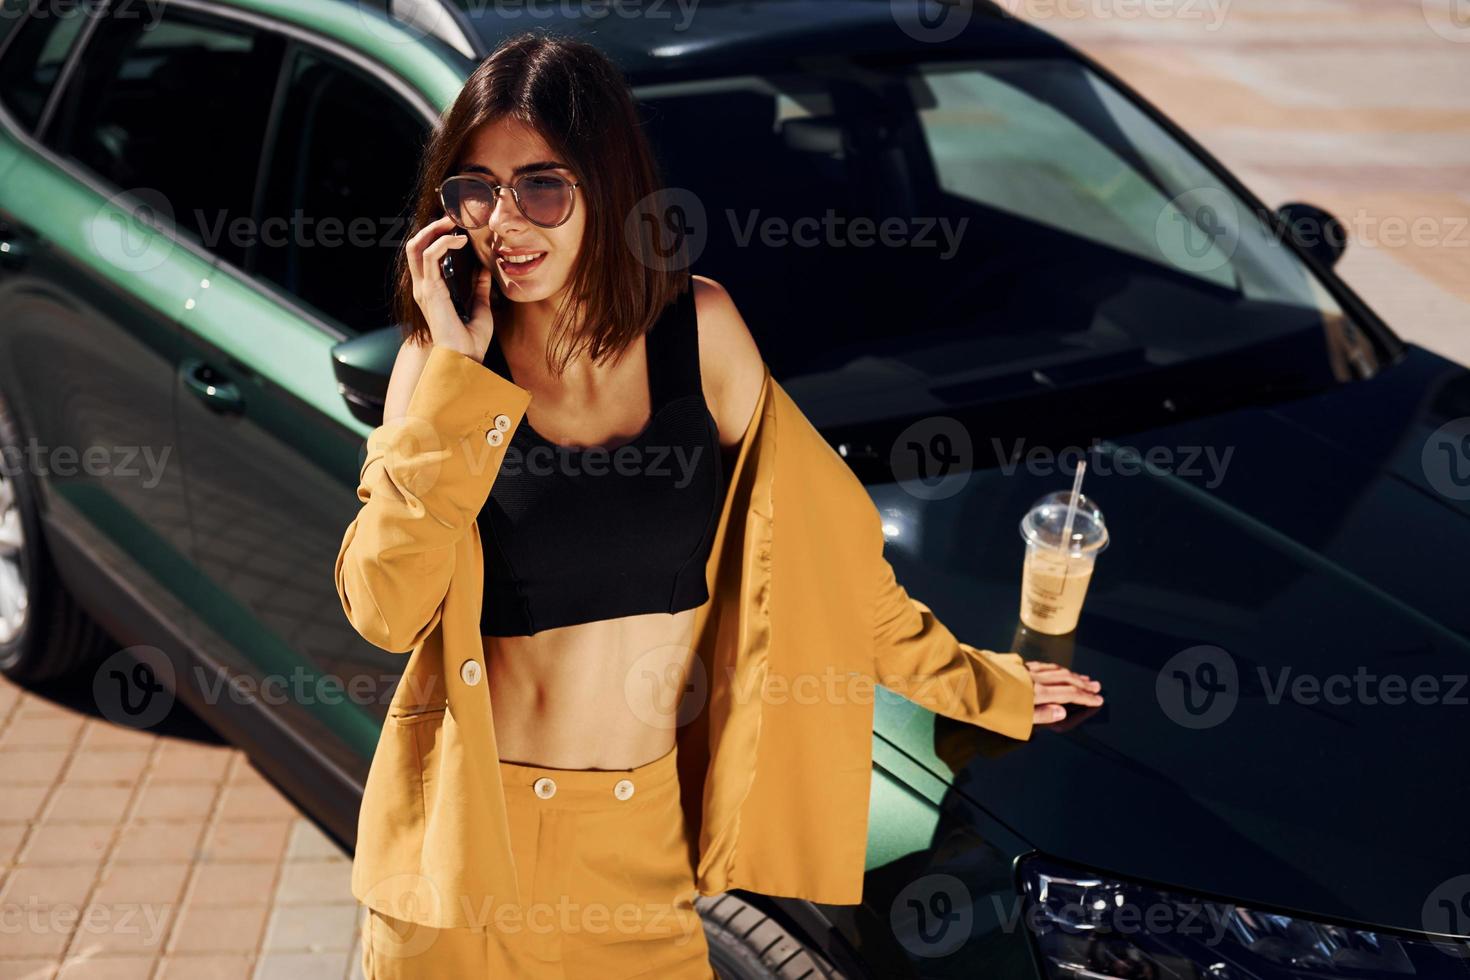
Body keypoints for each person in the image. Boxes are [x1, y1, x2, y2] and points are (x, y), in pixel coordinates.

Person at [341, 29, 1103, 980]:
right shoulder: (444, 367)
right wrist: (453, 377)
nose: (505, 220)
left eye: (542, 185)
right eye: (475, 189)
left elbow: (826, 559)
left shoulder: (697, 335)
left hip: (635, 855)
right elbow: (383, 609)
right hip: (461, 853)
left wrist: (985, 685)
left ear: (607, 187)